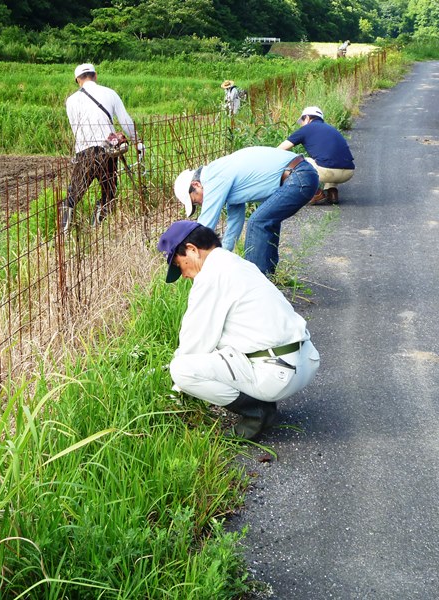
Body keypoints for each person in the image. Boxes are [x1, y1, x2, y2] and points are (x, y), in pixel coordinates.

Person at [157, 220, 320, 440]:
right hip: (304, 361)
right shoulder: (237, 264)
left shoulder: (210, 277)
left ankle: (258, 412)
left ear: (192, 250)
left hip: (278, 374)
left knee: (182, 369)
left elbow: (194, 343)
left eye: (179, 265)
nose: (183, 275)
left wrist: (176, 388)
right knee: (221, 343)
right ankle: (262, 402)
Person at [173, 146, 319, 276]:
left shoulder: (213, 176)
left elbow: (205, 227)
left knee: (258, 222)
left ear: (196, 184)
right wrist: (222, 258)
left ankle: (256, 282)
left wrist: (186, 256)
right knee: (266, 220)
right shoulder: (226, 185)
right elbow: (234, 226)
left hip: (298, 176)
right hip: (300, 176)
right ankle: (268, 278)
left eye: (195, 200)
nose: (200, 203)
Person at [62, 63, 143, 233]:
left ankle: (64, 230)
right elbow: (126, 121)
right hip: (108, 152)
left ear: (78, 80)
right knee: (109, 191)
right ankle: (96, 228)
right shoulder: (109, 93)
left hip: (84, 153)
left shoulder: (71, 101)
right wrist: (137, 141)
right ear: (95, 75)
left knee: (74, 193)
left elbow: (75, 128)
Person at [278, 106, 355, 205]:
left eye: (302, 120)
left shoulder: (306, 129)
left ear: (307, 118)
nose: (301, 124)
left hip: (327, 171)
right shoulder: (332, 129)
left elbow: (280, 149)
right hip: (348, 172)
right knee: (329, 158)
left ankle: (316, 193)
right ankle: (332, 192)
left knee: (296, 161)